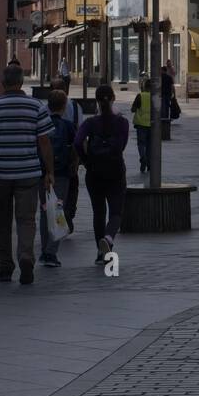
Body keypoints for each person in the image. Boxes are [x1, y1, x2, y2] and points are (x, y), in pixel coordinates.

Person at [0, 65, 54, 286]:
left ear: (3, 83)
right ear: (21, 82)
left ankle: (4, 266)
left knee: (2, 223)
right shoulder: (36, 107)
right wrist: (50, 171)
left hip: (0, 174)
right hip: (29, 173)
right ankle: (26, 258)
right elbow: (45, 141)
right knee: (26, 220)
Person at [74, 84, 129, 267]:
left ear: (97, 101)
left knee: (98, 213)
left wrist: (86, 160)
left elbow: (77, 142)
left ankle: (100, 253)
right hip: (116, 172)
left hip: (94, 173)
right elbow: (122, 146)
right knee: (115, 212)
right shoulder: (122, 122)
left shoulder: (90, 123)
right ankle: (108, 238)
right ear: (113, 99)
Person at [39, 89, 76, 267]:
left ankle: (44, 250)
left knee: (45, 210)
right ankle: (51, 253)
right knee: (58, 211)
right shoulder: (68, 126)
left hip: (41, 173)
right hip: (61, 174)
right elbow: (76, 147)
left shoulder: (42, 124)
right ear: (63, 106)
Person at [130, 77, 152, 175]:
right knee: (149, 144)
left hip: (141, 124)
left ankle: (143, 158)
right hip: (152, 124)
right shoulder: (154, 97)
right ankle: (149, 162)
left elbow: (133, 109)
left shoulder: (140, 96)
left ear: (144, 87)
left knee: (141, 144)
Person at [160, 63, 177, 141]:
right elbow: (172, 86)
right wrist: (174, 94)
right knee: (166, 106)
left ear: (162, 70)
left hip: (162, 94)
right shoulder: (169, 77)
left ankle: (163, 119)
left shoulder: (159, 77)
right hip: (168, 94)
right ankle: (166, 118)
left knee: (162, 106)